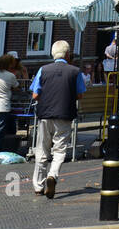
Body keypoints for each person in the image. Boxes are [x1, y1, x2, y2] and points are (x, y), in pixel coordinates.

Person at [30, 40, 86, 198]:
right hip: (65, 115)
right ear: (68, 54)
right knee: (60, 150)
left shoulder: (43, 70)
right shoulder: (75, 72)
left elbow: (35, 94)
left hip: (45, 114)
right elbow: (80, 94)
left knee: (41, 149)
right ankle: (52, 175)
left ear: (52, 53)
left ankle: (38, 185)